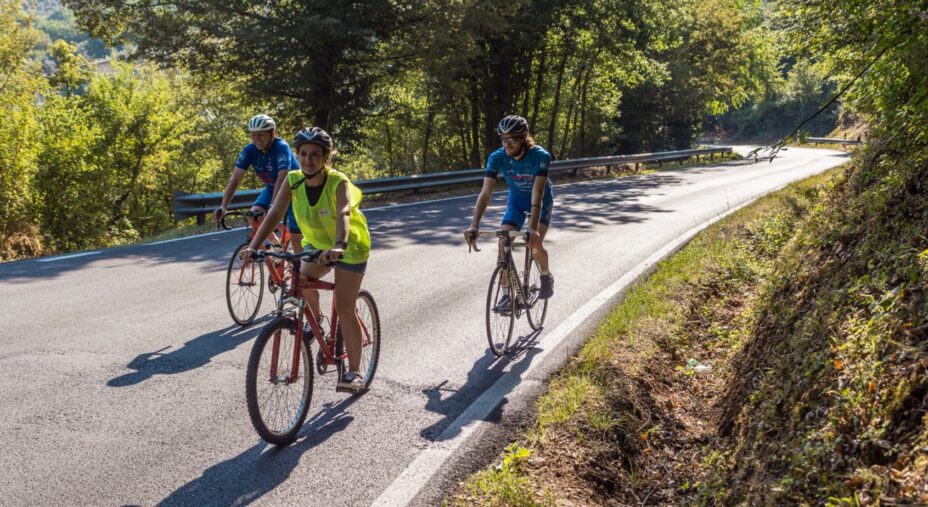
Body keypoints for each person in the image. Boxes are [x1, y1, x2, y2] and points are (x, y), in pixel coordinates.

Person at [243, 127, 372, 393]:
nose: (307, 160)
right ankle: (318, 322)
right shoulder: (293, 180)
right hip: (316, 244)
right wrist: (253, 247)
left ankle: (355, 372)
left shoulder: (337, 181)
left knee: (345, 307)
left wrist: (339, 245)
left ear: (325, 157)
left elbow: (344, 213)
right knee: (300, 280)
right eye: (303, 154)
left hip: (348, 245)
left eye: (315, 155)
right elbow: (274, 214)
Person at [464, 114, 554, 303]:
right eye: (504, 139)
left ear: (523, 138)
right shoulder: (497, 157)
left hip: (541, 201)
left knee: (534, 243)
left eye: (512, 139)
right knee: (502, 242)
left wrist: (532, 228)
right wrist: (474, 225)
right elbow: (485, 193)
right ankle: (506, 295)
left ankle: (546, 275)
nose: (507, 143)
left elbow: (537, 192)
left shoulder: (541, 156)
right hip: (516, 202)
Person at [214, 114, 303, 253]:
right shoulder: (249, 150)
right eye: (253, 135)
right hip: (272, 188)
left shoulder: (281, 147)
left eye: (261, 135)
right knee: (254, 216)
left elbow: (282, 179)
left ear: (272, 133)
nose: (257, 139)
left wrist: (273, 207)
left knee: (296, 238)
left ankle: (300, 265)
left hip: (295, 190)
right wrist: (223, 206)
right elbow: (235, 179)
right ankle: (277, 245)